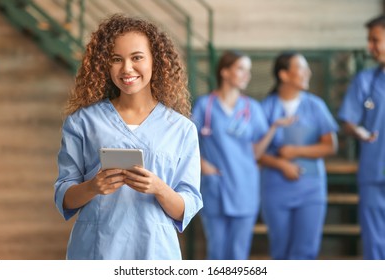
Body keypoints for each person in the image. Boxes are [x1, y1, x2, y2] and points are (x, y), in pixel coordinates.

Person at [54, 14, 203, 260]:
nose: (127, 69)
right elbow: (65, 197)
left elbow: (185, 208)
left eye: (137, 57)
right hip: (96, 252)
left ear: (155, 61)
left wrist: (159, 188)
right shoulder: (82, 122)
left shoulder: (181, 128)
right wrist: (93, 186)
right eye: (116, 59)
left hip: (154, 253)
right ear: (105, 64)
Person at [191, 50, 293, 260]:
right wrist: (202, 165)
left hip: (244, 187)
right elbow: (186, 145)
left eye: (248, 70)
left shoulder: (252, 109)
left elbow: (256, 152)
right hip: (215, 187)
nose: (247, 75)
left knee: (238, 253)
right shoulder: (205, 106)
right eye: (241, 69)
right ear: (225, 72)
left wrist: (273, 127)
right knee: (216, 252)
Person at [259, 51, 338, 259]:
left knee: (306, 250)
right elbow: (255, 153)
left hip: (311, 189)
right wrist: (281, 164)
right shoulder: (265, 108)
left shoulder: (316, 106)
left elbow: (330, 146)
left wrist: (296, 151)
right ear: (284, 75)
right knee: (280, 250)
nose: (308, 72)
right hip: (275, 190)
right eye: (301, 68)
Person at [338, 15, 385, 260]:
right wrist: (358, 131)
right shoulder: (365, 81)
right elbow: (348, 120)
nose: (370, 47)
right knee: (375, 242)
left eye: (375, 40)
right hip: (374, 171)